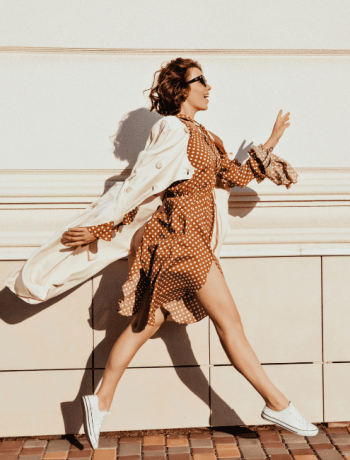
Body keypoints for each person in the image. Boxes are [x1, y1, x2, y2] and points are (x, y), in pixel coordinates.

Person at [5, 58, 317, 448]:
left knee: (145, 325)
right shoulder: (171, 129)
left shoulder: (201, 133)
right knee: (230, 324)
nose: (208, 86)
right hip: (178, 240)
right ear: (181, 89)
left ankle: (98, 401)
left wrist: (270, 142)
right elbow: (139, 188)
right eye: (200, 80)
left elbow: (228, 177)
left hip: (186, 241)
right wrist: (100, 228)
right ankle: (277, 402)